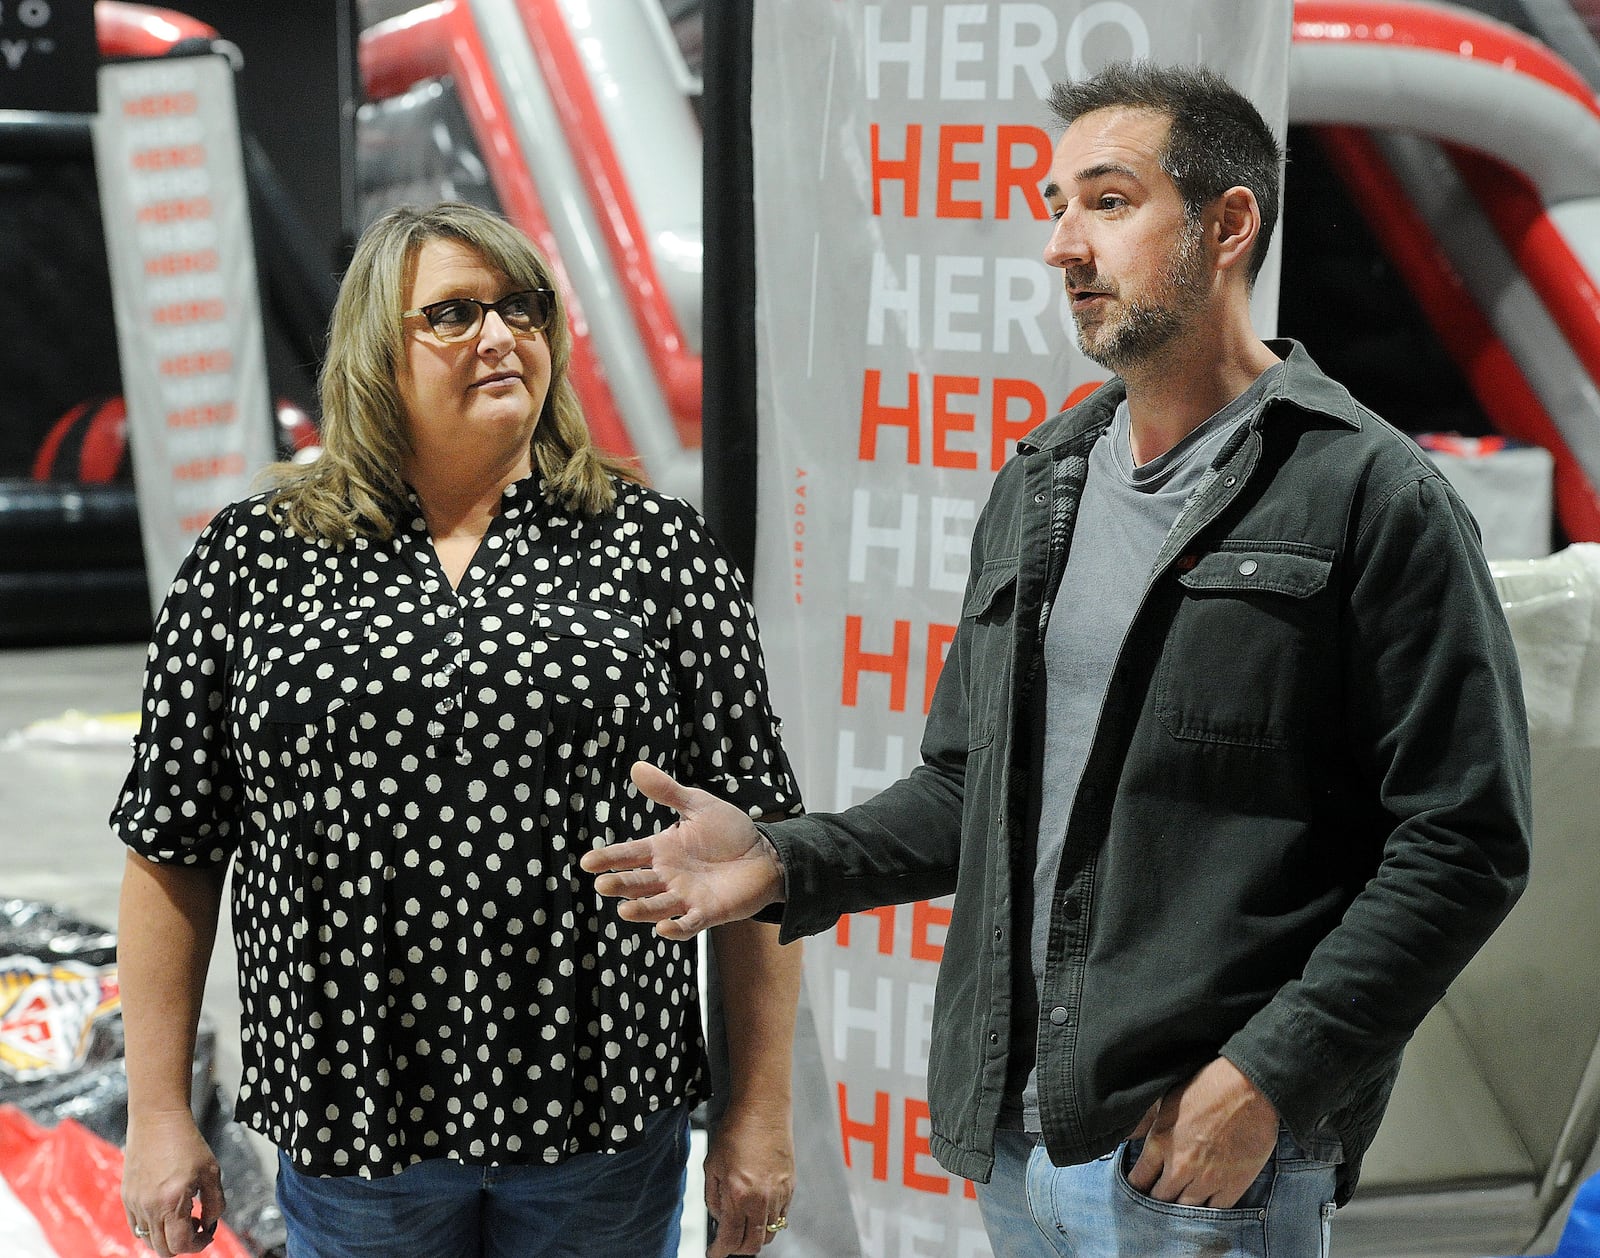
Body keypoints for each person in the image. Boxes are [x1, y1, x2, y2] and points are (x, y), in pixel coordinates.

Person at [582, 61, 1533, 1257]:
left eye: (1106, 200)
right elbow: (969, 786)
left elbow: (1464, 839)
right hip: (1021, 1147)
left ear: (1227, 223)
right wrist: (781, 859)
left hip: (1203, 1158)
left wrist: (1266, 1079)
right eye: (1053, 204)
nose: (1061, 245)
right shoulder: (1046, 482)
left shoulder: (1366, 492)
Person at [112, 201, 804, 1258]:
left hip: (601, 1123)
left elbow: (758, 846)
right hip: (355, 1127)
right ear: (374, 351)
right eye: (453, 313)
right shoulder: (255, 559)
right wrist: (159, 1112)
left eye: (521, 308)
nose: (499, 334)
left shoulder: (656, 550)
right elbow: (174, 841)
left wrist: (757, 1110)